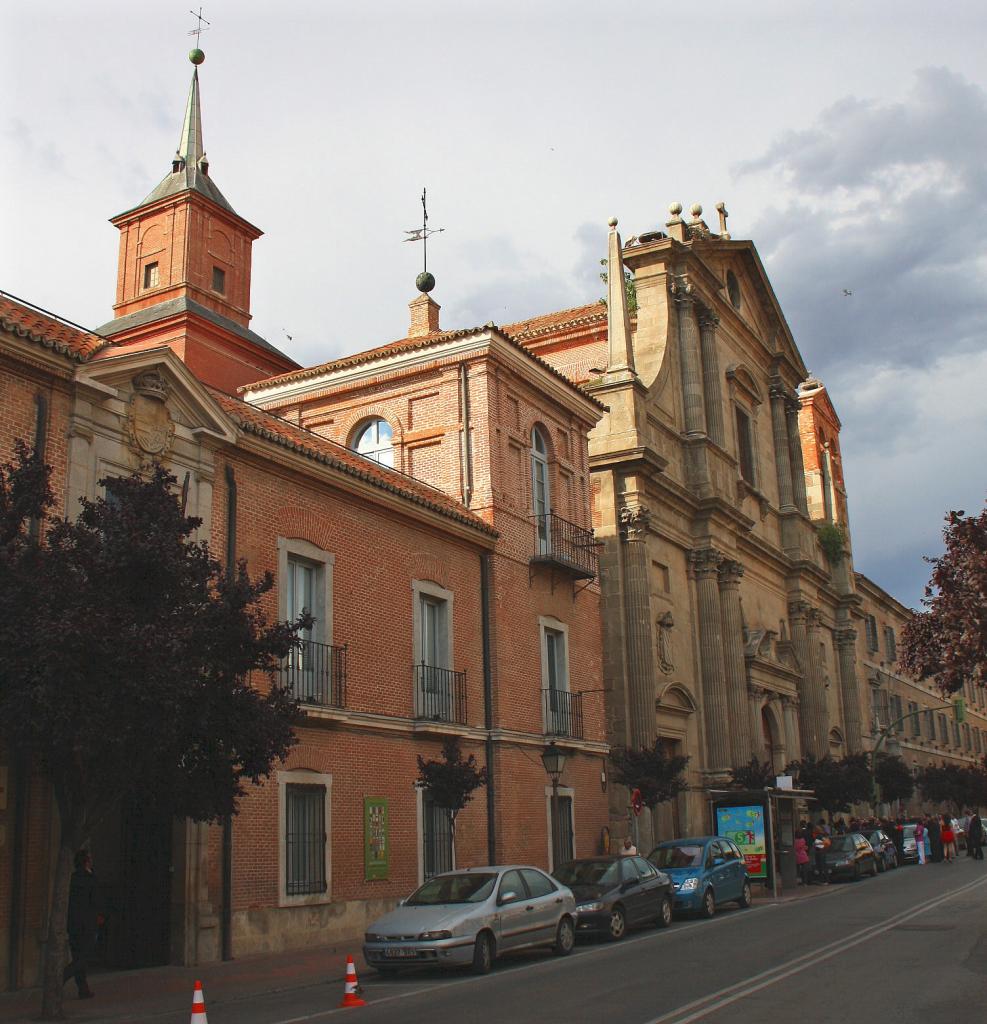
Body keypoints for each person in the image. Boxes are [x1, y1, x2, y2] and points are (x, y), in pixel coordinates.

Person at [62, 849, 99, 999]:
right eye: (90, 858)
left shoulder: (72, 878)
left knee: (78, 955)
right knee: (83, 958)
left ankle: (83, 989)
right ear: (86, 861)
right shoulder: (91, 879)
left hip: (73, 925)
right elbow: (95, 903)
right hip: (87, 925)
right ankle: (60, 977)